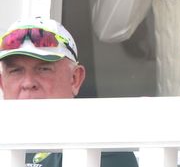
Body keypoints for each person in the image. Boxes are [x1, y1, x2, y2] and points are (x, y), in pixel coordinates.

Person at [0, 17, 138, 167]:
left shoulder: (104, 144)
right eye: (15, 71)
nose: (28, 83)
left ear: (75, 78)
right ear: (2, 83)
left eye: (43, 69)